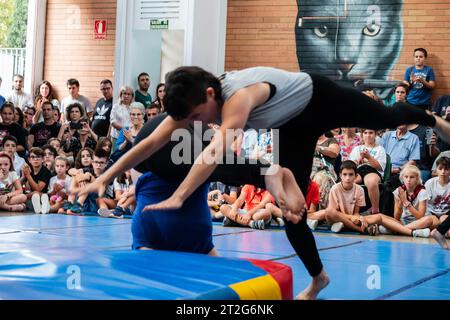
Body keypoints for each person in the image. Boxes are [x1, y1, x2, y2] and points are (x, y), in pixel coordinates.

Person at [76, 66, 450, 300]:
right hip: (292, 125)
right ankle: (319, 278)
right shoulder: (195, 105)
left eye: (194, 117)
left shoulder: (237, 98)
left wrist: (179, 196)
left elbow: (211, 156)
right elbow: (148, 143)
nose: (192, 123)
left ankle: (432, 119)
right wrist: (104, 177)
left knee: (383, 118)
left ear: (209, 96)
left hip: (320, 98)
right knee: (292, 211)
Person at [322, 161, 377, 234]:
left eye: (351, 174)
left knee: (363, 219)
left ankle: (344, 226)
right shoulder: (335, 189)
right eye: (344, 174)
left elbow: (356, 213)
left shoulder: (360, 190)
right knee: (328, 212)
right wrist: (351, 217)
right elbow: (333, 212)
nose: (347, 178)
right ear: (340, 175)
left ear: (356, 176)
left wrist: (358, 218)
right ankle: (361, 230)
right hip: (338, 217)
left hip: (351, 218)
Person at [349, 128, 387, 214]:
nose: (368, 135)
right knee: (348, 181)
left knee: (371, 181)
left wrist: (368, 157)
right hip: (359, 170)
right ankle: (350, 210)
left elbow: (380, 167)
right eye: (365, 133)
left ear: (375, 134)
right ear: (362, 135)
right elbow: (350, 166)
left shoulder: (380, 149)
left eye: (371, 133)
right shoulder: (357, 149)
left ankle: (375, 210)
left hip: (372, 170)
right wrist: (357, 161)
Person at [425, 157, 450, 243]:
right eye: (440, 169)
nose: (443, 172)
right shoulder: (429, 183)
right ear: (436, 170)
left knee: (444, 219)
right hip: (431, 214)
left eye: (446, 169)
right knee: (433, 222)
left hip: (446, 215)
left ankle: (440, 231)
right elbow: (425, 204)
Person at [23, 148, 52, 214]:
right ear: (29, 160)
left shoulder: (45, 171)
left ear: (43, 159)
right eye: (33, 157)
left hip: (45, 196)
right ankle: (39, 208)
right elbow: (19, 185)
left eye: (38, 157)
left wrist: (28, 175)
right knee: (31, 195)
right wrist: (23, 176)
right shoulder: (28, 169)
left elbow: (38, 188)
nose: (35, 159)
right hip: (32, 196)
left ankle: (44, 207)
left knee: (36, 193)